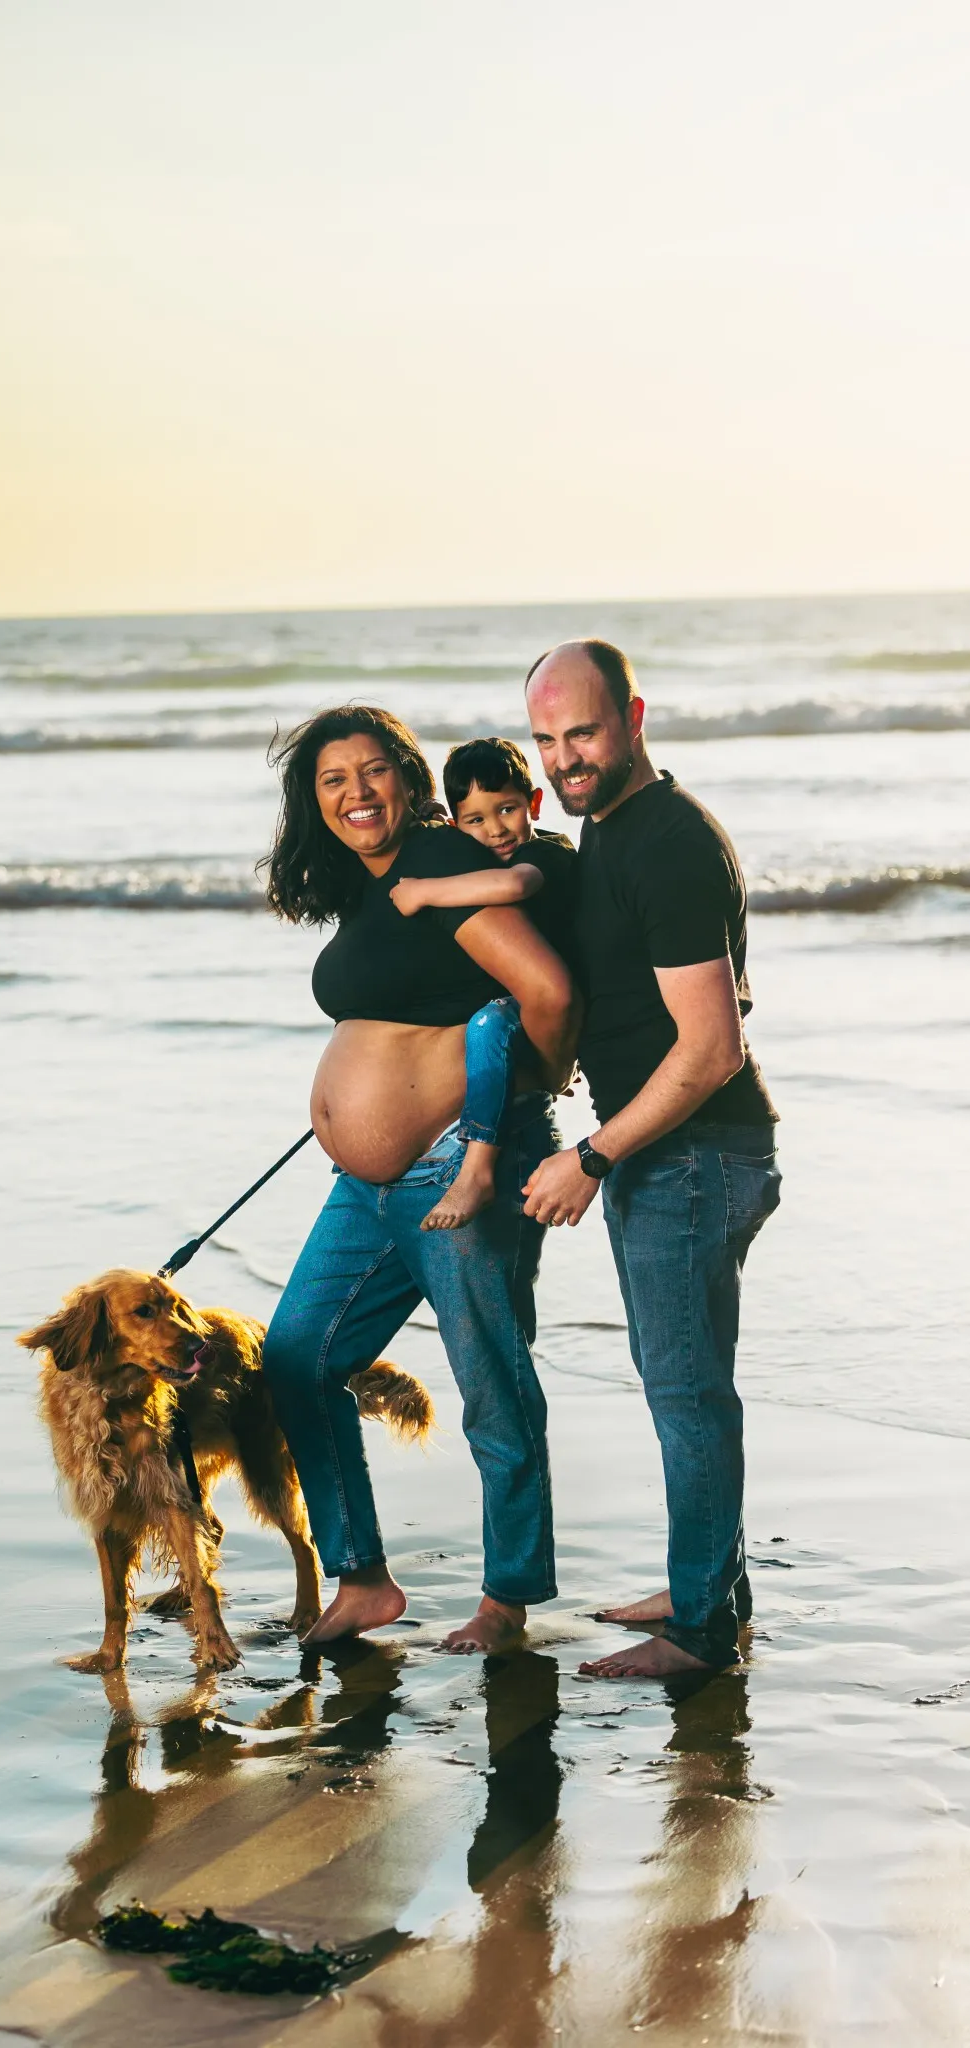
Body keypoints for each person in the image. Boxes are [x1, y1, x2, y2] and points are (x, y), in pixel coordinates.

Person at [258, 706, 580, 1655]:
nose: (355, 792)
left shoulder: (439, 865)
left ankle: (507, 1597)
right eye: (331, 780)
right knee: (297, 1356)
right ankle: (362, 1579)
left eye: (372, 771)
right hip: (367, 1188)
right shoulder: (372, 889)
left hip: (456, 1172)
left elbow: (549, 992)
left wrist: (530, 1089)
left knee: (490, 1378)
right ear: (312, 803)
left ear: (409, 779)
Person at [520, 640, 781, 1680]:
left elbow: (713, 1047)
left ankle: (702, 1631)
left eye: (582, 732)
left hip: (693, 1154)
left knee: (686, 1394)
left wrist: (593, 1151)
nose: (565, 758)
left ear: (632, 715)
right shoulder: (611, 830)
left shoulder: (666, 841)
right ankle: (704, 1579)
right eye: (545, 740)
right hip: (675, 1156)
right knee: (685, 1385)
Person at [388, 736, 578, 1231]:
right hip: (519, 998)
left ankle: (477, 1170)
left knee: (489, 1025)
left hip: (561, 998)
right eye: (476, 820)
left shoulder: (548, 851)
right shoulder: (475, 853)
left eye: (508, 809)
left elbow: (516, 886)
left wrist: (423, 892)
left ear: (534, 803)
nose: (496, 829)